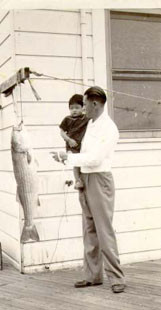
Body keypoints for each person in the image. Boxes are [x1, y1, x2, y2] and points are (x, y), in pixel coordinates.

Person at [52, 86, 126, 293]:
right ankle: (93, 276)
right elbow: (81, 151)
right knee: (89, 229)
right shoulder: (90, 124)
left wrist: (69, 157)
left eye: (84, 104)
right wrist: (66, 156)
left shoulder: (109, 128)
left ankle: (117, 277)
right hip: (85, 177)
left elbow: (95, 158)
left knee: (104, 230)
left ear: (95, 104)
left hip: (99, 178)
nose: (82, 109)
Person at [59, 94, 89, 189]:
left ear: (83, 108)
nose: (74, 110)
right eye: (71, 108)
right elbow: (62, 132)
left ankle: (84, 180)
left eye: (77, 107)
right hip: (72, 145)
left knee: (83, 162)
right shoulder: (67, 119)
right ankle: (78, 181)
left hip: (83, 145)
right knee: (76, 163)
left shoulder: (86, 118)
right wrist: (68, 140)